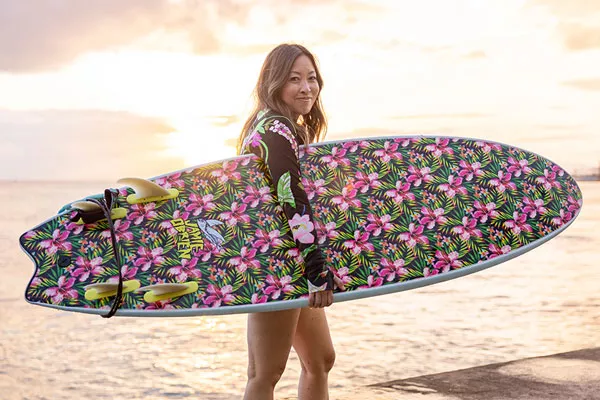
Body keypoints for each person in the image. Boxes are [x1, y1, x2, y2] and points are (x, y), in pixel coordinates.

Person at [236, 43, 345, 399]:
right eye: (294, 79)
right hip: (279, 264)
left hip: (294, 261)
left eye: (311, 78)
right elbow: (290, 199)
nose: (306, 88)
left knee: (320, 359)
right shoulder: (274, 130)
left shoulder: (283, 128)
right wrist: (317, 270)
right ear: (274, 83)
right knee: (265, 373)